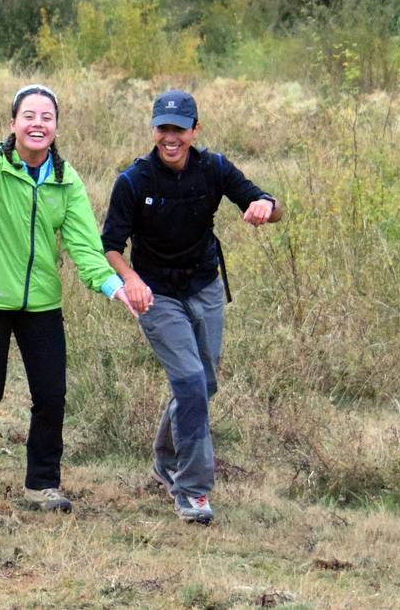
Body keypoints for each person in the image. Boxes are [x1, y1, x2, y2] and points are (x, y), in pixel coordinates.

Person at [0, 83, 131, 512]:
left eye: (47, 118)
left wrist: (113, 286)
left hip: (41, 303)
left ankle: (42, 484)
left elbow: (84, 245)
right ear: (13, 124)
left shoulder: (66, 180)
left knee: (51, 394)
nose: (38, 124)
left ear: (57, 127)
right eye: (29, 116)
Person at [102, 89, 283, 525]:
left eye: (179, 129)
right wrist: (131, 281)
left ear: (194, 130)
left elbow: (271, 206)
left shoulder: (215, 168)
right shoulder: (134, 181)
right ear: (153, 129)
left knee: (204, 385)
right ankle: (193, 491)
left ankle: (165, 459)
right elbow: (109, 246)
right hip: (157, 295)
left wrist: (264, 207)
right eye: (163, 128)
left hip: (204, 287)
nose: (171, 137)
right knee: (188, 381)